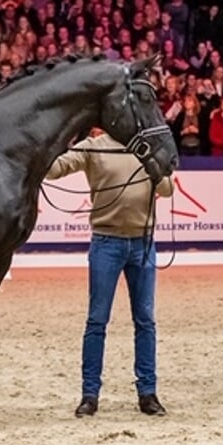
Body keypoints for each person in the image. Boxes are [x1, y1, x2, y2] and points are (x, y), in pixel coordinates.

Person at [45, 128, 174, 419]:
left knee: (145, 320)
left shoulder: (147, 144)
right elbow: (54, 169)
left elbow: (168, 188)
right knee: (97, 320)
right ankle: (90, 394)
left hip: (144, 242)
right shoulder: (94, 146)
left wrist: (156, 165)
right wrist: (49, 138)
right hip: (107, 241)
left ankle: (148, 393)